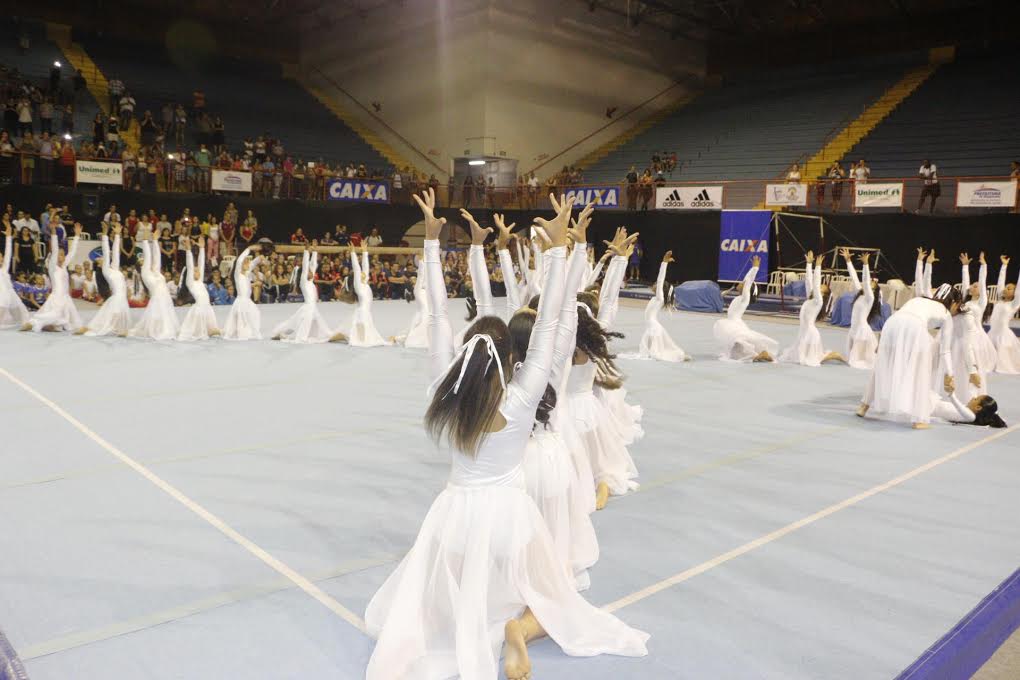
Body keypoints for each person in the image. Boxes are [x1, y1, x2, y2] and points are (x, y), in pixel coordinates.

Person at [364, 188, 648, 680]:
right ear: (509, 360)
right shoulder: (520, 403)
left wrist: (432, 244)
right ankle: (516, 629)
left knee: (452, 601)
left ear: (463, 357)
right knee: (550, 596)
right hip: (510, 518)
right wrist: (560, 252)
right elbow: (553, 325)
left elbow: (434, 316)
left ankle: (483, 625)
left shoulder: (444, 395)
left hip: (453, 518)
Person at [857, 284, 963, 428]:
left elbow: (900, 317)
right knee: (920, 371)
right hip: (914, 326)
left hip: (891, 324)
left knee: (883, 367)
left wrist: (881, 343)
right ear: (954, 303)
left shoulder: (918, 299)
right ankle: (919, 419)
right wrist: (949, 374)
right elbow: (945, 350)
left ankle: (863, 407)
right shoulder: (946, 313)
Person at [780, 252, 846, 366]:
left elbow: (815, 284)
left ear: (823, 293)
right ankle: (830, 355)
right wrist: (809, 264)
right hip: (803, 332)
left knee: (809, 360)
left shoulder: (818, 301)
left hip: (810, 334)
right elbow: (809, 282)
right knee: (801, 357)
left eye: (822, 286)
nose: (820, 285)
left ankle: (832, 355)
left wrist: (818, 266)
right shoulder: (811, 298)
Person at [713, 256, 777, 362]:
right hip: (734, 323)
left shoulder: (744, 298)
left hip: (734, 324)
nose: (741, 283)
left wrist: (755, 268)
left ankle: (759, 353)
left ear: (747, 289)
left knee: (739, 344)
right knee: (736, 349)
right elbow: (746, 280)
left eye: (743, 284)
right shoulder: (741, 297)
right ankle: (761, 353)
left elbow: (748, 281)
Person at [22, 225, 82, 332]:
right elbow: (54, 251)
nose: (62, 257)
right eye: (60, 255)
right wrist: (53, 233)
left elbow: (72, 253)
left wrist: (77, 236)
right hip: (56, 298)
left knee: (67, 325)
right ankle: (35, 323)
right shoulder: (52, 268)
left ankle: (48, 325)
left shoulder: (63, 266)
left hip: (65, 298)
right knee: (54, 316)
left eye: (63, 255)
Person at [953, 252, 996, 399]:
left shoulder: (981, 303)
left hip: (976, 339)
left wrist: (983, 265)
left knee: (974, 366)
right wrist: (965, 267)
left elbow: (982, 283)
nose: (973, 286)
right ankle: (962, 394)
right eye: (973, 285)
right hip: (962, 338)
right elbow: (965, 284)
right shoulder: (965, 303)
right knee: (961, 367)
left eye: (976, 286)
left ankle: (975, 395)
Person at [632, 250, 689, 362]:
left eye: (657, 285)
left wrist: (664, 263)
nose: (655, 284)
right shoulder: (656, 298)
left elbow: (660, 279)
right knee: (652, 352)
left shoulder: (659, 298)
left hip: (653, 327)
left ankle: (678, 355)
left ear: (661, 289)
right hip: (651, 327)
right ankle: (677, 354)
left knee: (657, 354)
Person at [271, 247, 334, 343]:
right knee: (293, 323)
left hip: (312, 308)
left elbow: (313, 264)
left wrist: (315, 252)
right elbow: (305, 266)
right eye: (309, 271)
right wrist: (306, 252)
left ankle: (281, 333)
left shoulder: (310, 281)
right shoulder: (303, 282)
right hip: (308, 308)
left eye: (311, 271)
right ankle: (279, 333)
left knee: (296, 322)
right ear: (303, 274)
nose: (311, 272)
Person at [78, 224, 131, 337]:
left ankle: (118, 329)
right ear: (100, 265)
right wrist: (105, 235)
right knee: (111, 315)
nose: (101, 259)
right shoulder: (106, 271)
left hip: (122, 297)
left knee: (114, 315)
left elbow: (116, 252)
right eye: (99, 259)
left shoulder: (115, 268)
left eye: (100, 258)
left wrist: (117, 235)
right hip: (117, 297)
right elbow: (107, 252)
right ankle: (92, 328)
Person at [128, 236, 179, 340]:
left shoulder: (155, 272)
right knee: (158, 317)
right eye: (142, 261)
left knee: (164, 318)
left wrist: (155, 241)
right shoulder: (145, 273)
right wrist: (145, 241)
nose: (145, 260)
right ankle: (156, 330)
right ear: (141, 266)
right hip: (158, 298)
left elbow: (157, 257)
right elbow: (148, 257)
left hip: (165, 297)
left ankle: (161, 329)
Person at [842, 249, 881, 370]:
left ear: (873, 290)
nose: (869, 283)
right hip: (854, 329)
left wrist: (865, 265)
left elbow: (865, 280)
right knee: (854, 357)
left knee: (860, 360)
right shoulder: (860, 293)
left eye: (872, 284)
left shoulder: (870, 297)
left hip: (862, 331)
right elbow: (854, 277)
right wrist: (848, 261)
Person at [177, 237, 221, 341]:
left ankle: (209, 329)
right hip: (199, 309)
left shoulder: (200, 281)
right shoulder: (190, 283)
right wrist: (188, 251)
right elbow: (190, 265)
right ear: (191, 273)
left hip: (207, 308)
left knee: (211, 331)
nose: (198, 272)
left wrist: (202, 249)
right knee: (196, 332)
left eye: (198, 271)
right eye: (195, 271)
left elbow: (201, 265)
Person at [347, 243, 387, 346]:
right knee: (362, 326)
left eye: (365, 273)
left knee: (365, 327)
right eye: (362, 273)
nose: (364, 273)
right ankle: (360, 339)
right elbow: (356, 267)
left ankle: (361, 338)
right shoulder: (359, 285)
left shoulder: (365, 282)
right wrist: (353, 253)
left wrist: (365, 251)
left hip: (366, 311)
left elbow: (366, 266)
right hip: (362, 311)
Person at [221, 245, 262, 340]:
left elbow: (252, 264)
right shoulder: (238, 274)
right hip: (241, 302)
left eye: (248, 262)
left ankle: (251, 331)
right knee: (241, 320)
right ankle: (241, 332)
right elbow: (239, 260)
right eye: (246, 262)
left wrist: (259, 258)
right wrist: (249, 249)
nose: (248, 263)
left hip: (247, 301)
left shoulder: (246, 274)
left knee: (255, 313)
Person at [988, 255, 1020, 373]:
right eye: (1006, 287)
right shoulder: (1000, 300)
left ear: (1015, 293)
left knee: (1004, 362)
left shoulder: (1014, 304)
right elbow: (1000, 282)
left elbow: (1019, 289)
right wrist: (1004, 266)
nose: (1006, 289)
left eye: (1010, 288)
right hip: (992, 333)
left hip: (1003, 334)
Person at [0, 220, 30, 328]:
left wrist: (8, 237)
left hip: (11, 294)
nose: (1, 258)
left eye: (1, 257)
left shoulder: (4, 268)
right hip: (2, 297)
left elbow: (8, 252)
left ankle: (26, 323)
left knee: (22, 313)